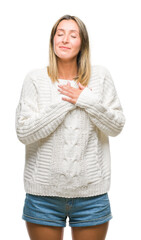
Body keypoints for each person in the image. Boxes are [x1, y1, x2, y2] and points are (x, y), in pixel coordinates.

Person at [15, 14, 125, 240]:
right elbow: (24, 133)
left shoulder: (100, 77)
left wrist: (86, 99)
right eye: (60, 34)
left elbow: (116, 127)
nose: (65, 39)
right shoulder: (35, 79)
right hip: (42, 196)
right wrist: (68, 101)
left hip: (91, 196)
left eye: (73, 35)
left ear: (82, 43)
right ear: (52, 40)